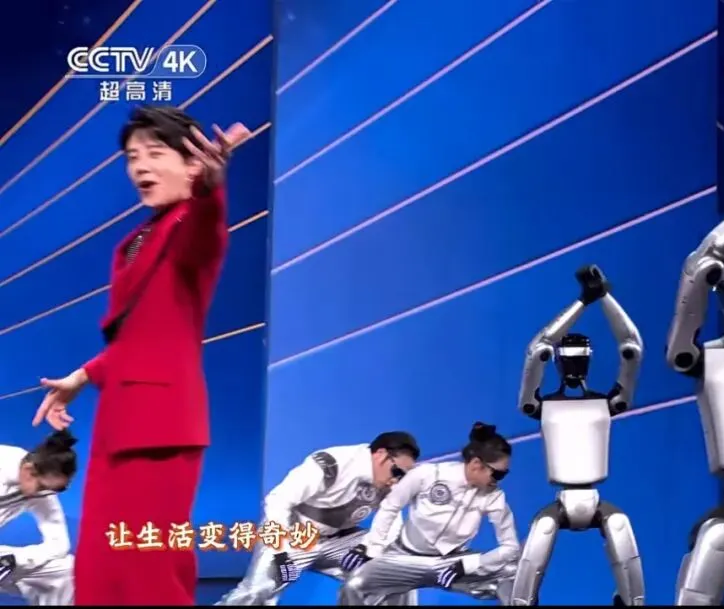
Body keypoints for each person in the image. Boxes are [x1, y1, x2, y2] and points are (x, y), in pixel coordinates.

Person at [31, 105, 251, 605]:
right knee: (100, 564)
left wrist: (210, 188)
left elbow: (206, 228)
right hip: (118, 420)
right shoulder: (133, 242)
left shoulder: (192, 222)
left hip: (161, 424)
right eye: (132, 157)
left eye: (155, 153)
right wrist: (82, 376)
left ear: (192, 163)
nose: (140, 167)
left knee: (147, 567)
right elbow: (140, 337)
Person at [217, 431, 423, 606]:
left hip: (338, 539)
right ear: (380, 454)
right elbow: (278, 500)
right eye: (396, 471)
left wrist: (370, 549)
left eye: (403, 477)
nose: (397, 481)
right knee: (256, 592)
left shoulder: (389, 484)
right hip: (295, 536)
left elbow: (391, 522)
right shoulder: (333, 463)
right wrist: (280, 553)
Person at [339, 423, 520, 606]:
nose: (498, 481)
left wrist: (469, 565)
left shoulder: (494, 496)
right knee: (355, 585)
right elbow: (390, 506)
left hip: (452, 562)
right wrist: (371, 546)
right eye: (497, 475)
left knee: (515, 572)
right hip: (404, 558)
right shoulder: (428, 474)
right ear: (476, 465)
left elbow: (510, 547)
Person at [0, 430, 79, 605]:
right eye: (43, 486)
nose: (45, 493)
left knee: (65, 570)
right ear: (29, 470)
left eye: (54, 489)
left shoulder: (41, 490)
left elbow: (59, 544)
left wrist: (15, 560)